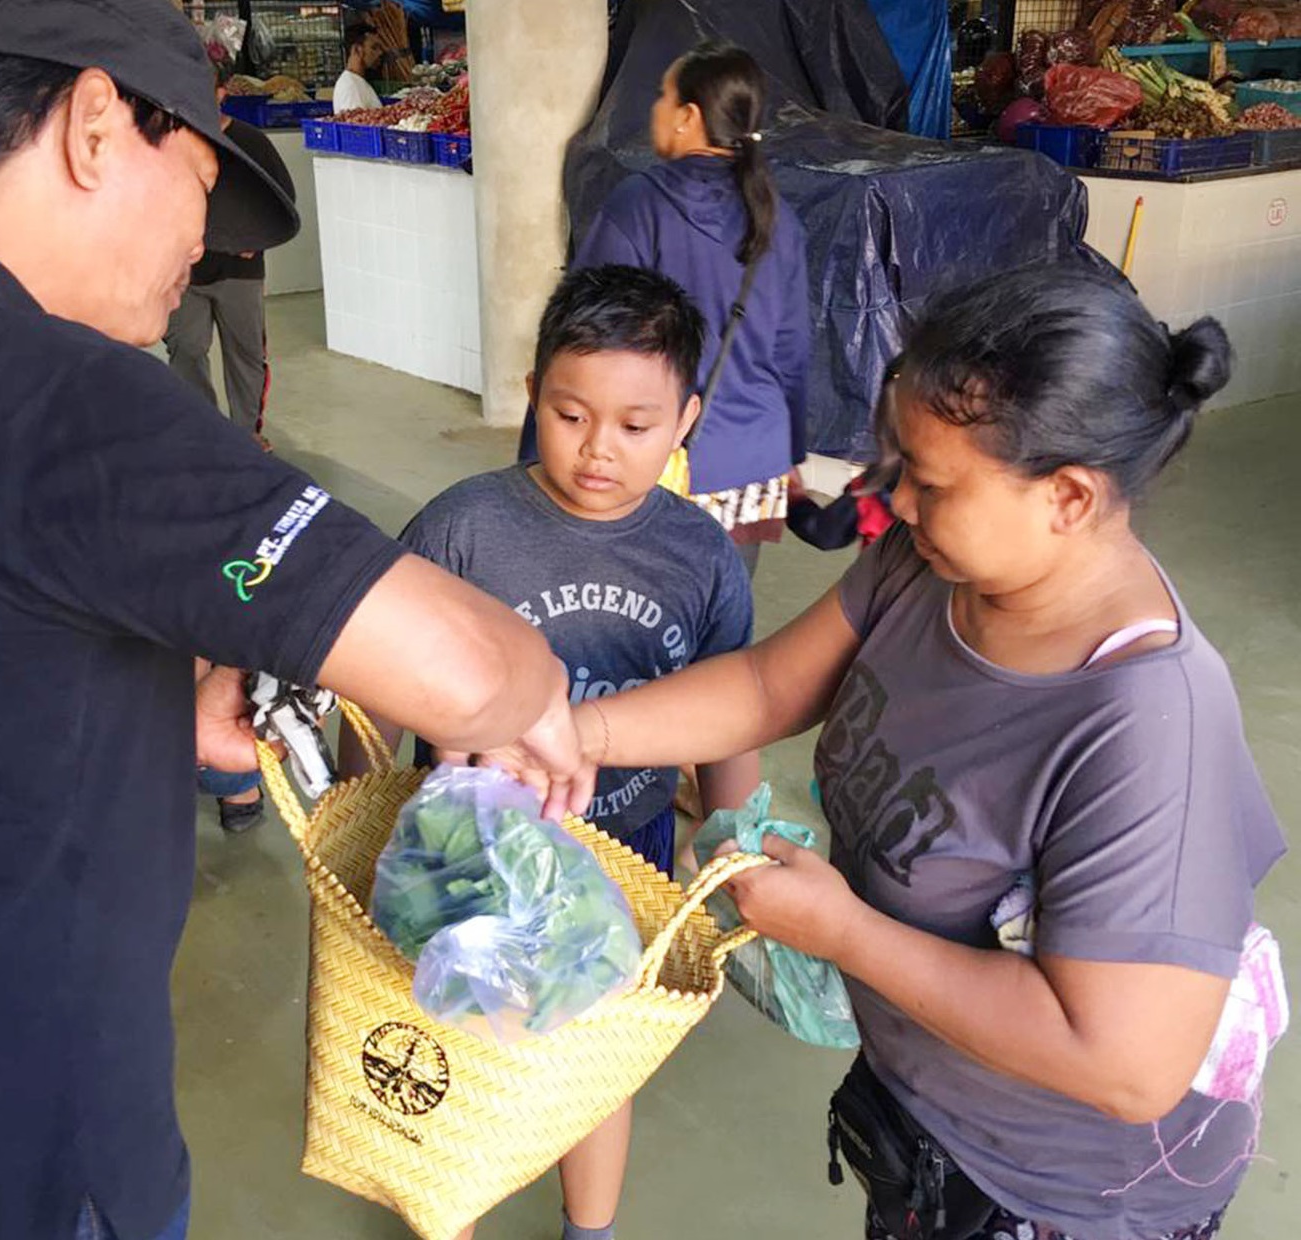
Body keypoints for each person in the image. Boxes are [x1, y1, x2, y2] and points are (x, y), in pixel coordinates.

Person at [0, 3, 588, 1239]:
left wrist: (144, 715)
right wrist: (535, 685)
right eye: (202, 185)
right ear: (94, 125)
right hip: (18, 1155)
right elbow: (466, 671)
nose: (205, 243)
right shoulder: (64, 394)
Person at [494, 265, 1287, 1240]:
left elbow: (1125, 1064)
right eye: (899, 465)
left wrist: (845, 933)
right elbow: (769, 685)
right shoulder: (934, 562)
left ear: (1067, 497)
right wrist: (576, 733)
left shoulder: (1148, 726)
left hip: (1056, 1196)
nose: (897, 502)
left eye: (931, 482)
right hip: (924, 1113)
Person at [341, 264, 761, 1240]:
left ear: (685, 419)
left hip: (625, 854)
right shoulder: (463, 528)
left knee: (592, 1057)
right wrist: (360, 826)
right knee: (454, 1049)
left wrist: (730, 848)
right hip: (464, 855)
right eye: (571, 415)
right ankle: (449, 1215)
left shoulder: (701, 557)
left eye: (635, 424)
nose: (598, 448)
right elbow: (376, 675)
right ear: (534, 394)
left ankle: (589, 1228)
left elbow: (727, 714)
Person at [520, 39, 811, 580]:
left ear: (688, 117)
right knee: (722, 609)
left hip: (653, 459)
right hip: (751, 461)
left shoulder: (641, 203)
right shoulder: (779, 218)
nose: (655, 108)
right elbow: (793, 351)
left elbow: (581, 337)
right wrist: (790, 454)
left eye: (663, 96)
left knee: (632, 606)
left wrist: (537, 450)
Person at [163, 57, 294, 456]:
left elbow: (283, 200)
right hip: (185, 272)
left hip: (241, 272)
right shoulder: (169, 141)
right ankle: (203, 430)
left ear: (223, 92)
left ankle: (245, 434)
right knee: (186, 348)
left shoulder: (252, 142)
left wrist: (258, 237)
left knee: (246, 354)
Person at [333, 18, 383, 114]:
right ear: (357, 49)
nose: (380, 53)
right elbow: (355, 121)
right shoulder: (350, 86)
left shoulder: (358, 81)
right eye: (374, 48)